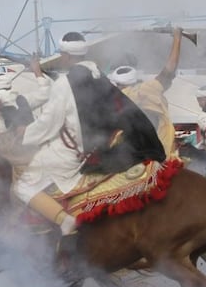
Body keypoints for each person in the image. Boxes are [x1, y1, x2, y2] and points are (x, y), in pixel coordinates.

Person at [13, 32, 164, 235]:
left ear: (65, 56)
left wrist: (25, 133)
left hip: (71, 153)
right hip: (101, 147)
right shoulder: (98, 76)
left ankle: (65, 221)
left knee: (22, 186)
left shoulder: (64, 84)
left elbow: (49, 123)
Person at [109, 27, 184, 156]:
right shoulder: (149, 88)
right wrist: (177, 38)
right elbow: (170, 69)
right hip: (164, 146)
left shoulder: (118, 98)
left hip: (138, 152)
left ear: (117, 84)